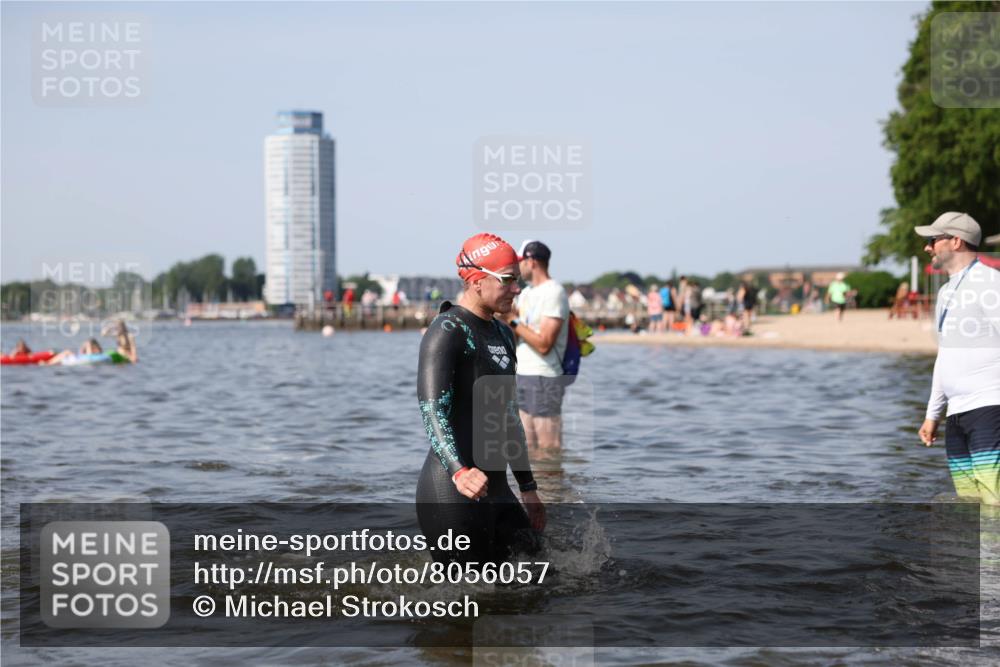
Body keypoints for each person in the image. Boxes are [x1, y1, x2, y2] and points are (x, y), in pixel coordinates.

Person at [416, 232, 545, 565]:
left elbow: (508, 415)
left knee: (539, 576)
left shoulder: (502, 332)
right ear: (476, 281)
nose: (516, 289)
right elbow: (432, 411)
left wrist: (527, 486)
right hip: (452, 490)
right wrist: (460, 472)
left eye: (518, 280)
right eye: (507, 280)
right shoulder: (447, 331)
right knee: (462, 603)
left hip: (497, 487)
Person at [915, 212, 1000, 504]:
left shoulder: (990, 283)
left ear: (956, 241)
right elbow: (945, 355)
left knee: (994, 499)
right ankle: (984, 552)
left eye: (932, 240)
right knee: (971, 504)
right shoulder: (945, 292)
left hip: (990, 407)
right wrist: (932, 414)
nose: (927, 248)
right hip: (957, 414)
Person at [510, 240, 570, 451]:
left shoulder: (554, 292)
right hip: (523, 374)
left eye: (520, 262)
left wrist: (512, 320)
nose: (517, 267)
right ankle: (538, 486)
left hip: (544, 377)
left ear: (532, 261)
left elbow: (544, 344)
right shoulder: (526, 293)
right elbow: (516, 335)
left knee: (549, 448)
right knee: (528, 449)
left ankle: (555, 486)